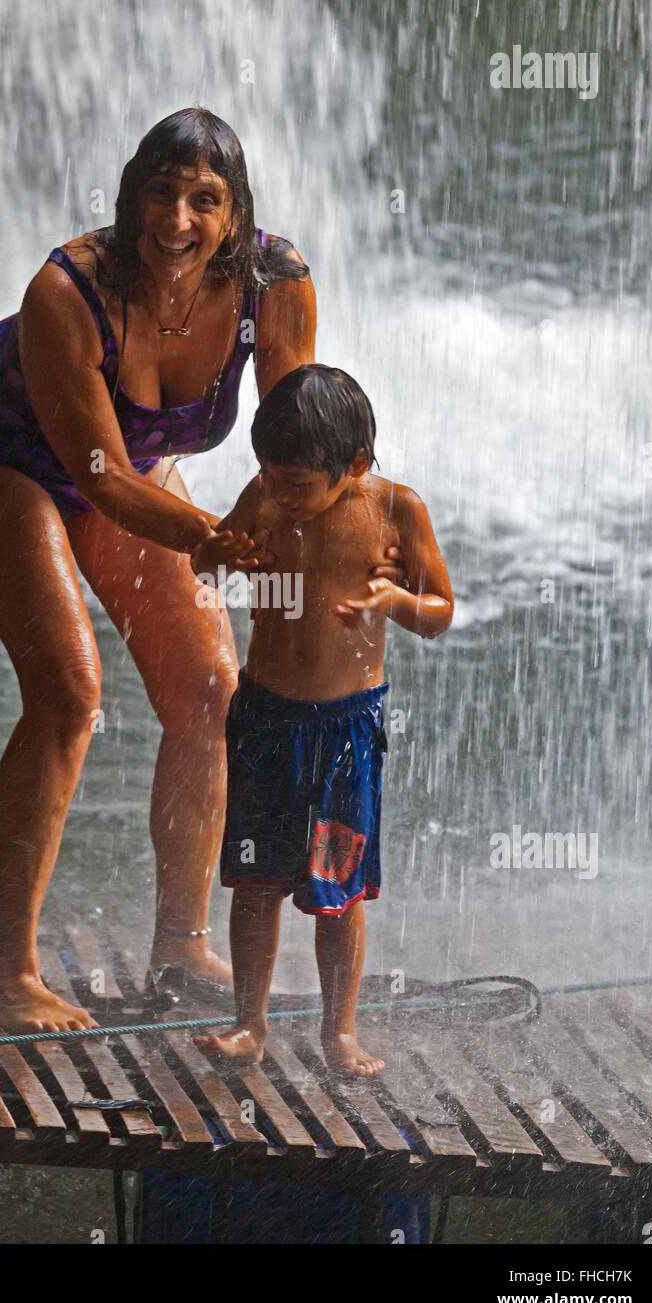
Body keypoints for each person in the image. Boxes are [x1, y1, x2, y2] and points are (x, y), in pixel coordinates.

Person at [0, 109, 407, 1032]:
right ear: (131, 195)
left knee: (214, 690)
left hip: (128, 466)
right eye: (161, 193)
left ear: (236, 216)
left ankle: (181, 946)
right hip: (3, 446)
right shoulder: (69, 291)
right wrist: (212, 539)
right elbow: (101, 477)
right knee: (69, 691)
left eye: (204, 200)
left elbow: (291, 453)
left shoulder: (275, 282)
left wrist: (347, 549)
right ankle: (5, 976)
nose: (177, 219)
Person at [194, 364, 454, 1076]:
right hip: (266, 718)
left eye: (298, 486)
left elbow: (440, 613)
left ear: (356, 465)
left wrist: (392, 602)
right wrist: (215, 555)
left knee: (337, 889)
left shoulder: (397, 511)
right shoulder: (267, 496)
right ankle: (249, 1024)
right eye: (270, 478)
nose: (281, 496)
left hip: (345, 732)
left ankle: (339, 1032)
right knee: (255, 880)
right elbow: (209, 569)